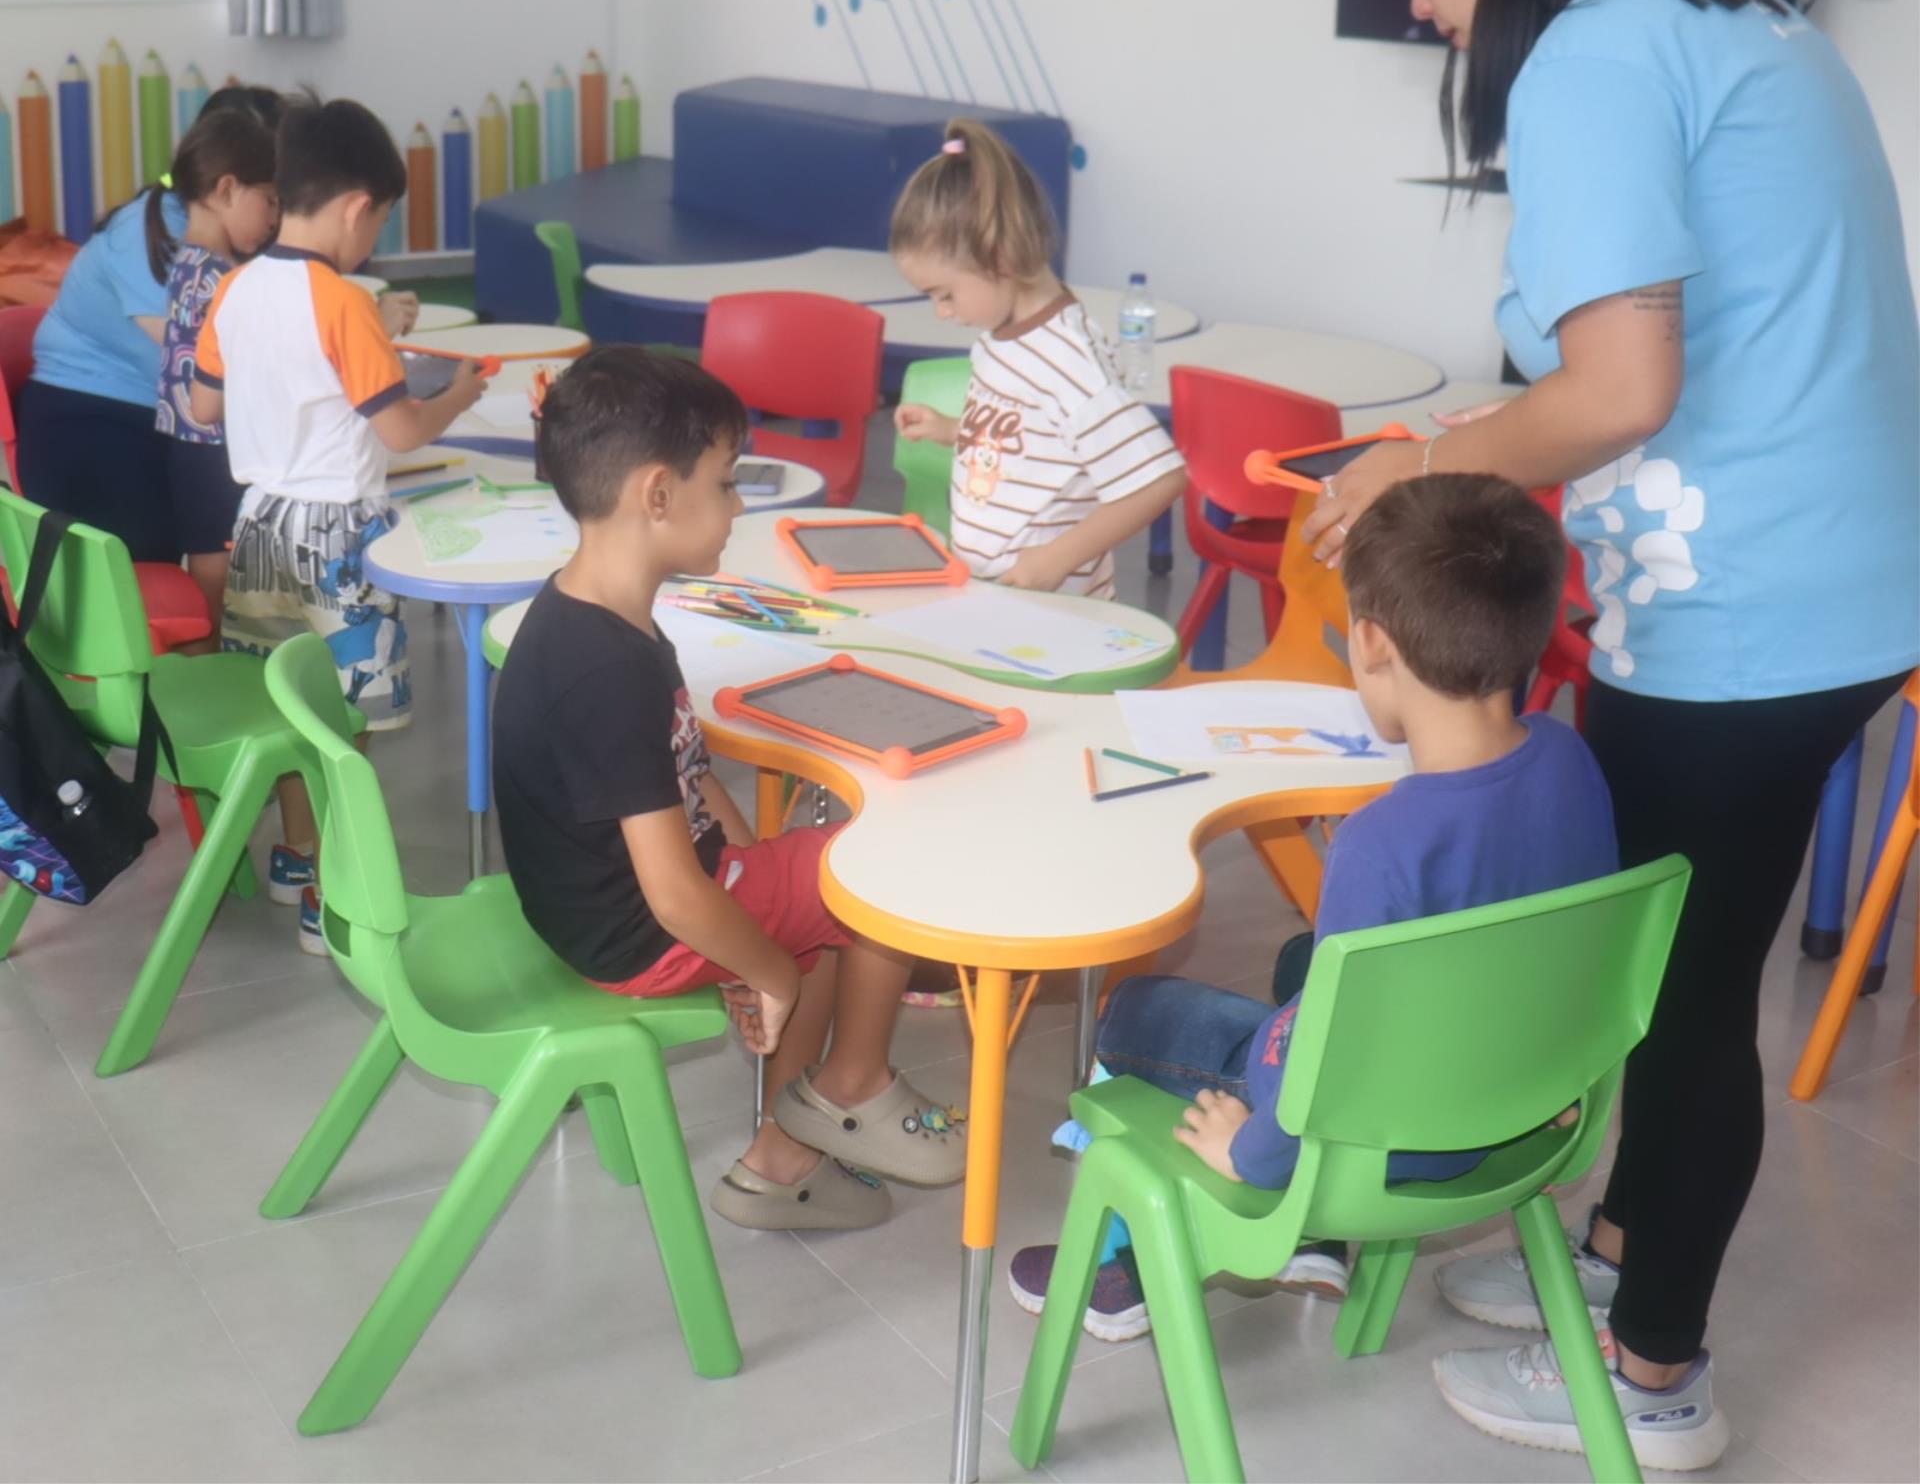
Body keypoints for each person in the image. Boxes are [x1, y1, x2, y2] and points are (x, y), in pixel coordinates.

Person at [1304, 0, 1919, 1470]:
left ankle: (1655, 1379)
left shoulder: (1591, 50)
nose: (1423, 7)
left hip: (1748, 609)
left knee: (1684, 988)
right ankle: (1621, 1251)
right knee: (1673, 960)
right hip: (1839, 583)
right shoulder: (1738, 15)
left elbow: (1622, 390)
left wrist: (1416, 464)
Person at [1007, 474, 1619, 1346]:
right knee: (1305, 960)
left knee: (1137, 1009)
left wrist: (1252, 1153)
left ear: (1370, 642)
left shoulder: (1381, 843)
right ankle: (1317, 1245)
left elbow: (1324, 1065)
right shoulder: (1570, 759)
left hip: (1381, 1137)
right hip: (1518, 1098)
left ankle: (1126, 1267)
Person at [491, 346, 966, 1230]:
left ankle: (782, 1161)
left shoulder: (600, 613)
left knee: (811, 899)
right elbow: (676, 894)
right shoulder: (604, 669)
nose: (739, 505)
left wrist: (758, 905)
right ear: (657, 495)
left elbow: (692, 777)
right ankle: (854, 1085)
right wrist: (767, 969)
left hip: (612, 909)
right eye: (726, 482)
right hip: (635, 934)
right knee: (874, 872)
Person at [190, 98, 485, 947]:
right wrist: (458, 395)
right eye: (381, 220)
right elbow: (402, 430)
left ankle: (297, 856)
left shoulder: (236, 288)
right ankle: (333, 895)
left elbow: (203, 406)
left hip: (258, 529)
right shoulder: (344, 302)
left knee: (288, 703)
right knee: (347, 721)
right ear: (358, 208)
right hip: (337, 539)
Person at [889, 120, 1185, 598]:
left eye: (945, 294)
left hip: (1055, 611)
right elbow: (1034, 440)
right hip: (996, 595)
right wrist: (955, 430)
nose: (941, 312)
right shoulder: (1000, 339)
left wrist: (1057, 559)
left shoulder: (1068, 360)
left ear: (999, 258)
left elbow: (1158, 479)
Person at [16, 83, 284, 562]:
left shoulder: (224, 231)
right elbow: (209, 360)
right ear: (227, 179)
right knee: (215, 535)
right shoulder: (155, 234)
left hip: (162, 420)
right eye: (271, 192)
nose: (280, 208)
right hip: (91, 425)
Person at [151, 105, 282, 635]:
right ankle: (211, 664)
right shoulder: (219, 278)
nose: (274, 218)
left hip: (192, 447)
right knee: (217, 581)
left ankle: (212, 657)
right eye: (269, 200)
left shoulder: (191, 262)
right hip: (212, 449)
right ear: (228, 189)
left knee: (213, 575)